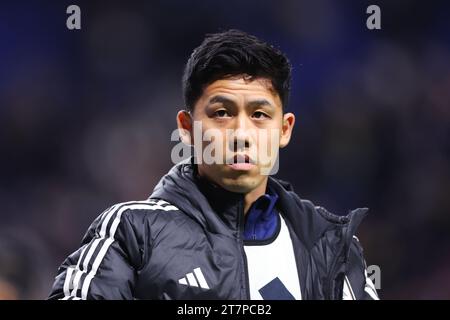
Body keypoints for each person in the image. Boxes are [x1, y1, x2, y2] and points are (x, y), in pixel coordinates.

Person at [48, 29, 379, 300]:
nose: (241, 134)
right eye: (222, 113)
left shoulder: (331, 246)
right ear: (187, 128)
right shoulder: (133, 233)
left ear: (285, 129)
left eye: (260, 115)